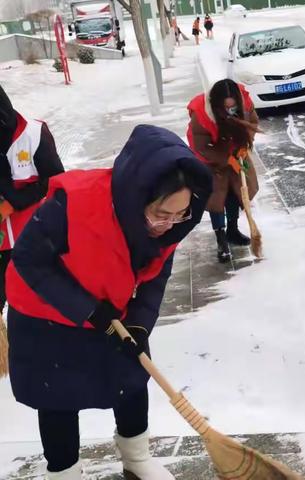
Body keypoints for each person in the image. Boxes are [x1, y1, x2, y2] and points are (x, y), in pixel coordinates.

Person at [6, 125, 212, 480]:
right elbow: (27, 261)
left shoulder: (173, 223)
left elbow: (156, 274)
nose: (169, 225)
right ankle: (65, 471)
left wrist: (139, 322)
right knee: (58, 397)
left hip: (111, 310)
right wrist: (86, 309)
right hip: (47, 312)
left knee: (132, 378)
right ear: (137, 196)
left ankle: (137, 458)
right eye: (162, 214)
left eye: (180, 214)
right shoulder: (72, 204)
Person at [0, 85, 64, 314]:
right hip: (1, 244)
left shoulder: (34, 134)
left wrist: (13, 202)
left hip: (34, 238)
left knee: (38, 304)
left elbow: (56, 182)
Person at [187, 79, 260, 263]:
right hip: (212, 157)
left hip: (236, 151)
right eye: (226, 107)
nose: (231, 110)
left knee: (237, 192)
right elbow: (201, 146)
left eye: (233, 107)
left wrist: (243, 147)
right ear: (217, 104)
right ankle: (221, 239)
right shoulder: (202, 114)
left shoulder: (245, 101)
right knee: (217, 197)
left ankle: (233, 231)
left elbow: (252, 122)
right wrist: (226, 159)